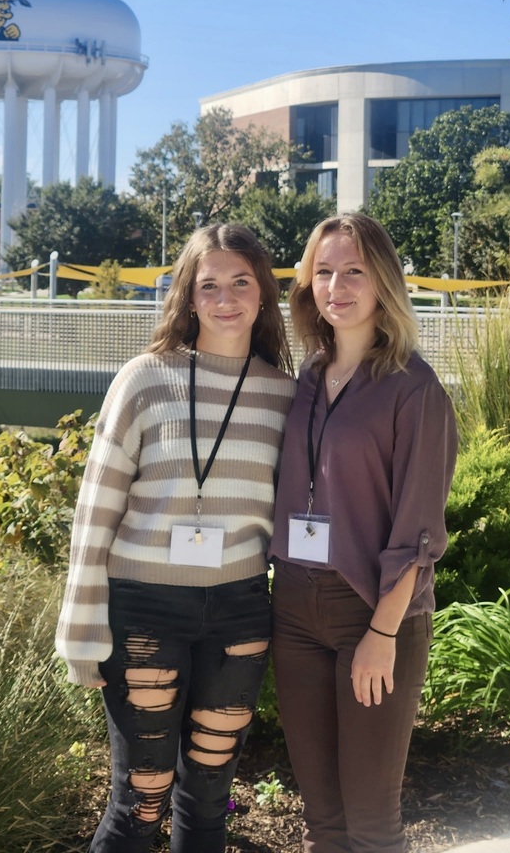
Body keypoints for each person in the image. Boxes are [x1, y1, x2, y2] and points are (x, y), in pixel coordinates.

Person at [56, 223, 296, 853]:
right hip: (145, 610)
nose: (225, 298)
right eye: (208, 284)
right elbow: (95, 512)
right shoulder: (144, 378)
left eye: (240, 282)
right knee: (142, 797)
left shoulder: (284, 396)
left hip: (240, 612)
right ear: (188, 296)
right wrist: (82, 630)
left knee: (211, 799)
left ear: (264, 292)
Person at [269, 213, 457, 853]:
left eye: (354, 271)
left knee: (372, 822)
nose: (336, 286)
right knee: (322, 819)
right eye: (323, 271)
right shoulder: (305, 379)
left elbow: (420, 531)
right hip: (294, 608)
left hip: (372, 614)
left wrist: (382, 633)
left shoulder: (414, 388)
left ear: (384, 282)